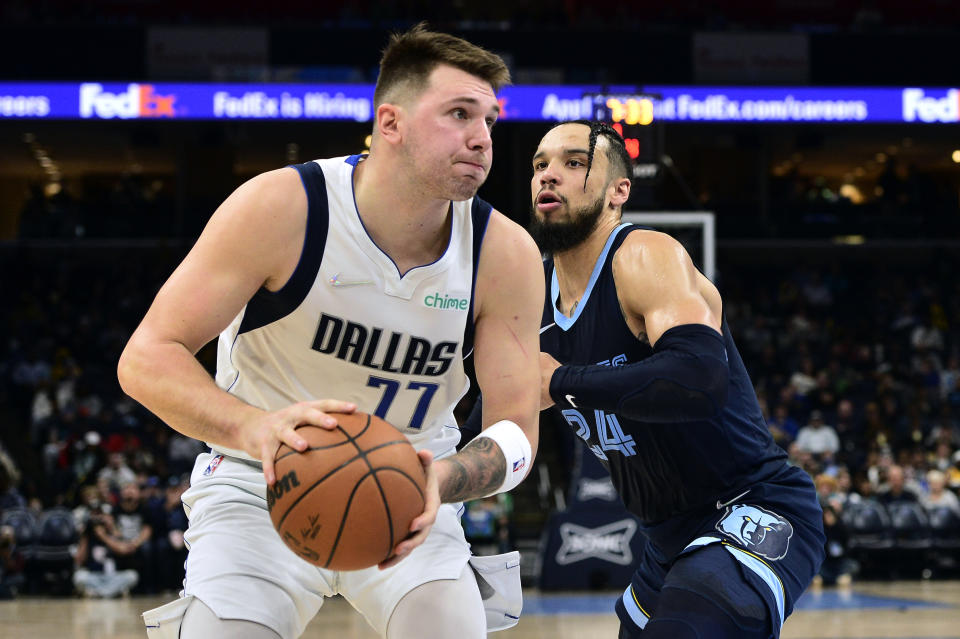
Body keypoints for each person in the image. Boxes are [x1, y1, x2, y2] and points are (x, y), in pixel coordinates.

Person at [117, 24, 543, 639]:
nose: (481, 139)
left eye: (490, 121)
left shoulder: (505, 254)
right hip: (256, 482)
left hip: (411, 487)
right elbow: (146, 358)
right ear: (390, 123)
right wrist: (252, 428)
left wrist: (438, 480)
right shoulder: (283, 207)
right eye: (458, 114)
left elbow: (518, 431)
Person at [529, 120, 825, 638]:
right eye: (539, 164)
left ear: (619, 191)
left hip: (751, 507)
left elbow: (699, 379)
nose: (549, 175)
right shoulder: (532, 296)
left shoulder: (644, 255)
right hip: (665, 540)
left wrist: (561, 382)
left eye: (574, 162)